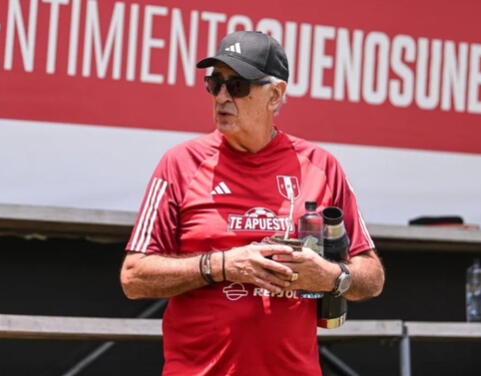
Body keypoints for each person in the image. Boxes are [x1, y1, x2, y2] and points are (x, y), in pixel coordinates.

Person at [120, 31, 385, 376]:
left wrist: (331, 277)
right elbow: (133, 277)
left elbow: (372, 276)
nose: (222, 97)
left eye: (238, 86)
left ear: (275, 94)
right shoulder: (180, 163)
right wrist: (222, 265)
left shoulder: (322, 166)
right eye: (214, 84)